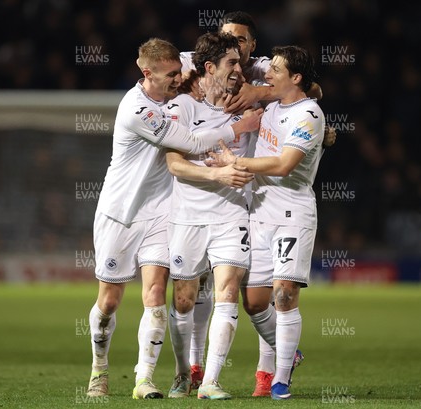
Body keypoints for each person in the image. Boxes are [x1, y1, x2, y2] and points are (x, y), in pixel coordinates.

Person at [85, 37, 261, 400]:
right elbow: (192, 143)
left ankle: (143, 378)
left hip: (163, 211)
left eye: (179, 73)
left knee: (154, 294)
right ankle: (99, 368)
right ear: (147, 74)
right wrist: (239, 128)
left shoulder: (178, 88)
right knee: (110, 302)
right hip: (121, 213)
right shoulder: (137, 109)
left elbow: (210, 63)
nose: (177, 79)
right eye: (169, 75)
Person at [207, 45, 324, 400]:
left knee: (284, 294)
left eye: (275, 70)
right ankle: (290, 351)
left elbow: (284, 164)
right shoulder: (270, 106)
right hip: (259, 211)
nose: (267, 75)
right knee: (255, 302)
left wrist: (235, 163)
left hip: (293, 214)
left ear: (296, 78)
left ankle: (281, 380)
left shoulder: (309, 114)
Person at [164, 32, 259, 400]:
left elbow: (302, 95)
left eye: (240, 62)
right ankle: (181, 373)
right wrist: (217, 173)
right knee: (184, 300)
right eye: (232, 64)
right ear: (209, 68)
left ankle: (212, 381)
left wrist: (326, 134)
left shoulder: (249, 106)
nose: (239, 70)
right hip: (187, 215)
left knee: (228, 293)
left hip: (231, 212)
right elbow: (175, 164)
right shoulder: (184, 107)